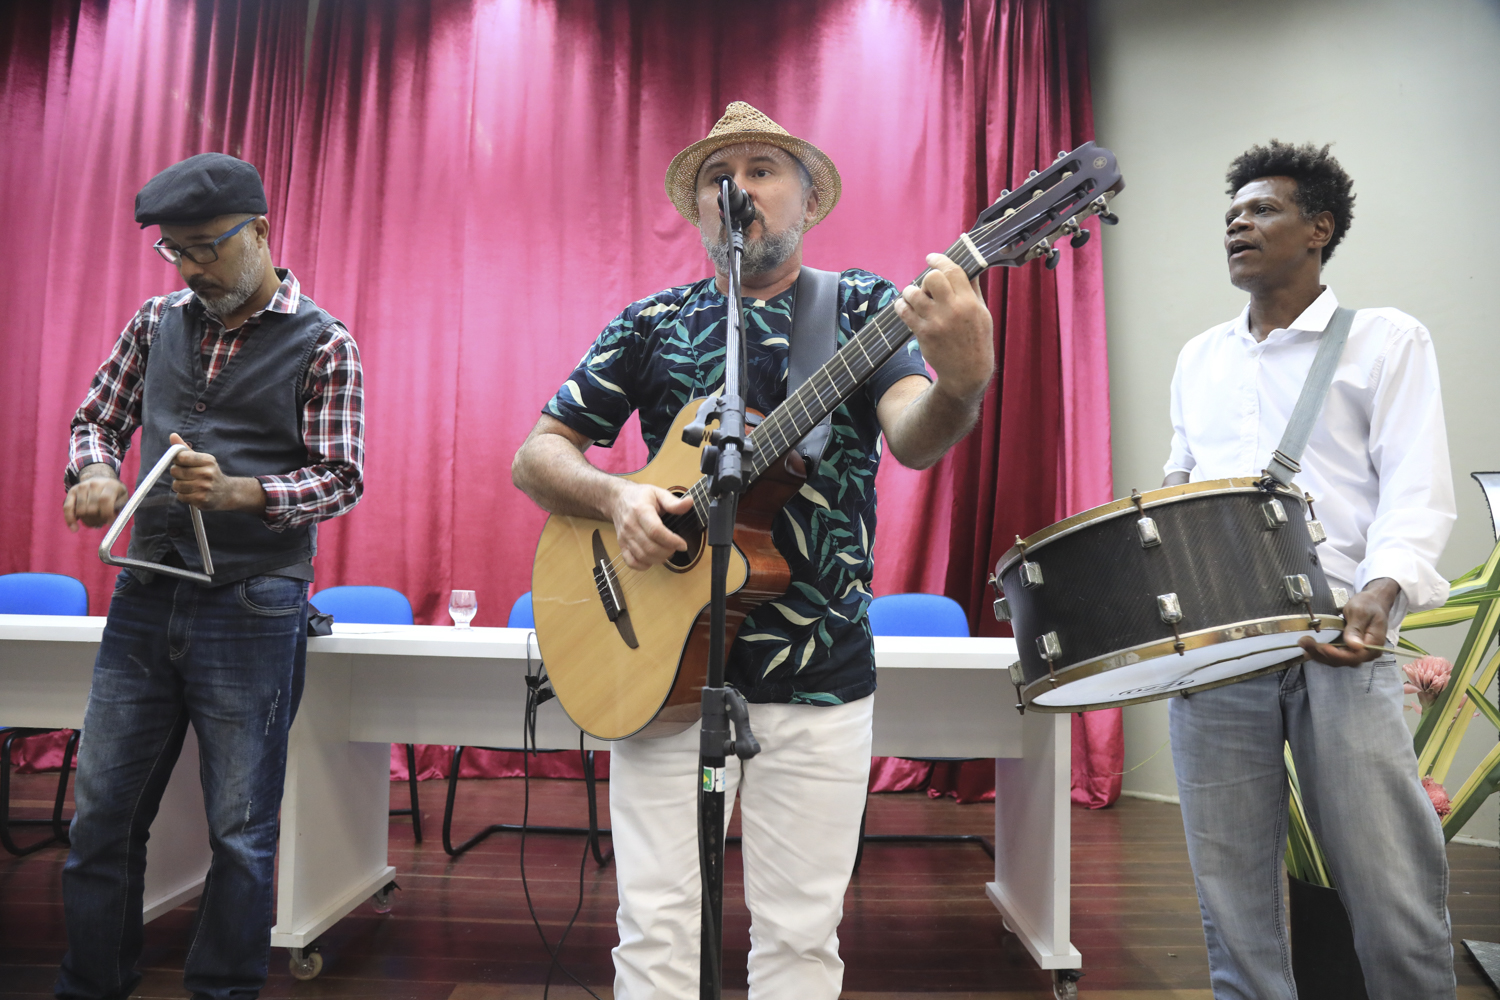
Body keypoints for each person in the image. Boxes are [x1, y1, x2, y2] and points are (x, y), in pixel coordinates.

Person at [511, 102, 994, 999]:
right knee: (653, 927)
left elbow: (916, 436)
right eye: (715, 176)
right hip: (657, 672)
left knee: (801, 936)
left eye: (765, 168)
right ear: (698, 209)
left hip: (818, 670)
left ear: (808, 202)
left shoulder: (861, 310)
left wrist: (962, 382)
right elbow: (536, 457)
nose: (738, 186)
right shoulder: (652, 321)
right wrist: (619, 495)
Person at [56, 153, 365, 1000]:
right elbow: (96, 420)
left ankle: (223, 993)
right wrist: (90, 473)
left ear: (260, 232)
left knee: (239, 832)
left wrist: (248, 492)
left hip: (255, 604)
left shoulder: (326, 343)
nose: (191, 268)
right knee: (102, 818)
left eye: (205, 248)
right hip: (145, 593)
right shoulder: (156, 322)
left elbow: (341, 477)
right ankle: (89, 987)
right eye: (175, 252)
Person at [1162, 140, 1456, 999]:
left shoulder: (1386, 340)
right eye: (1231, 215)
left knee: (1389, 882)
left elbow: (1416, 484)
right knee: (1229, 892)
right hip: (1218, 647)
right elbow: (1180, 488)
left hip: (1343, 639)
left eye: (1261, 211)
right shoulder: (1199, 358)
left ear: (1318, 229)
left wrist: (1382, 586)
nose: (1237, 225)